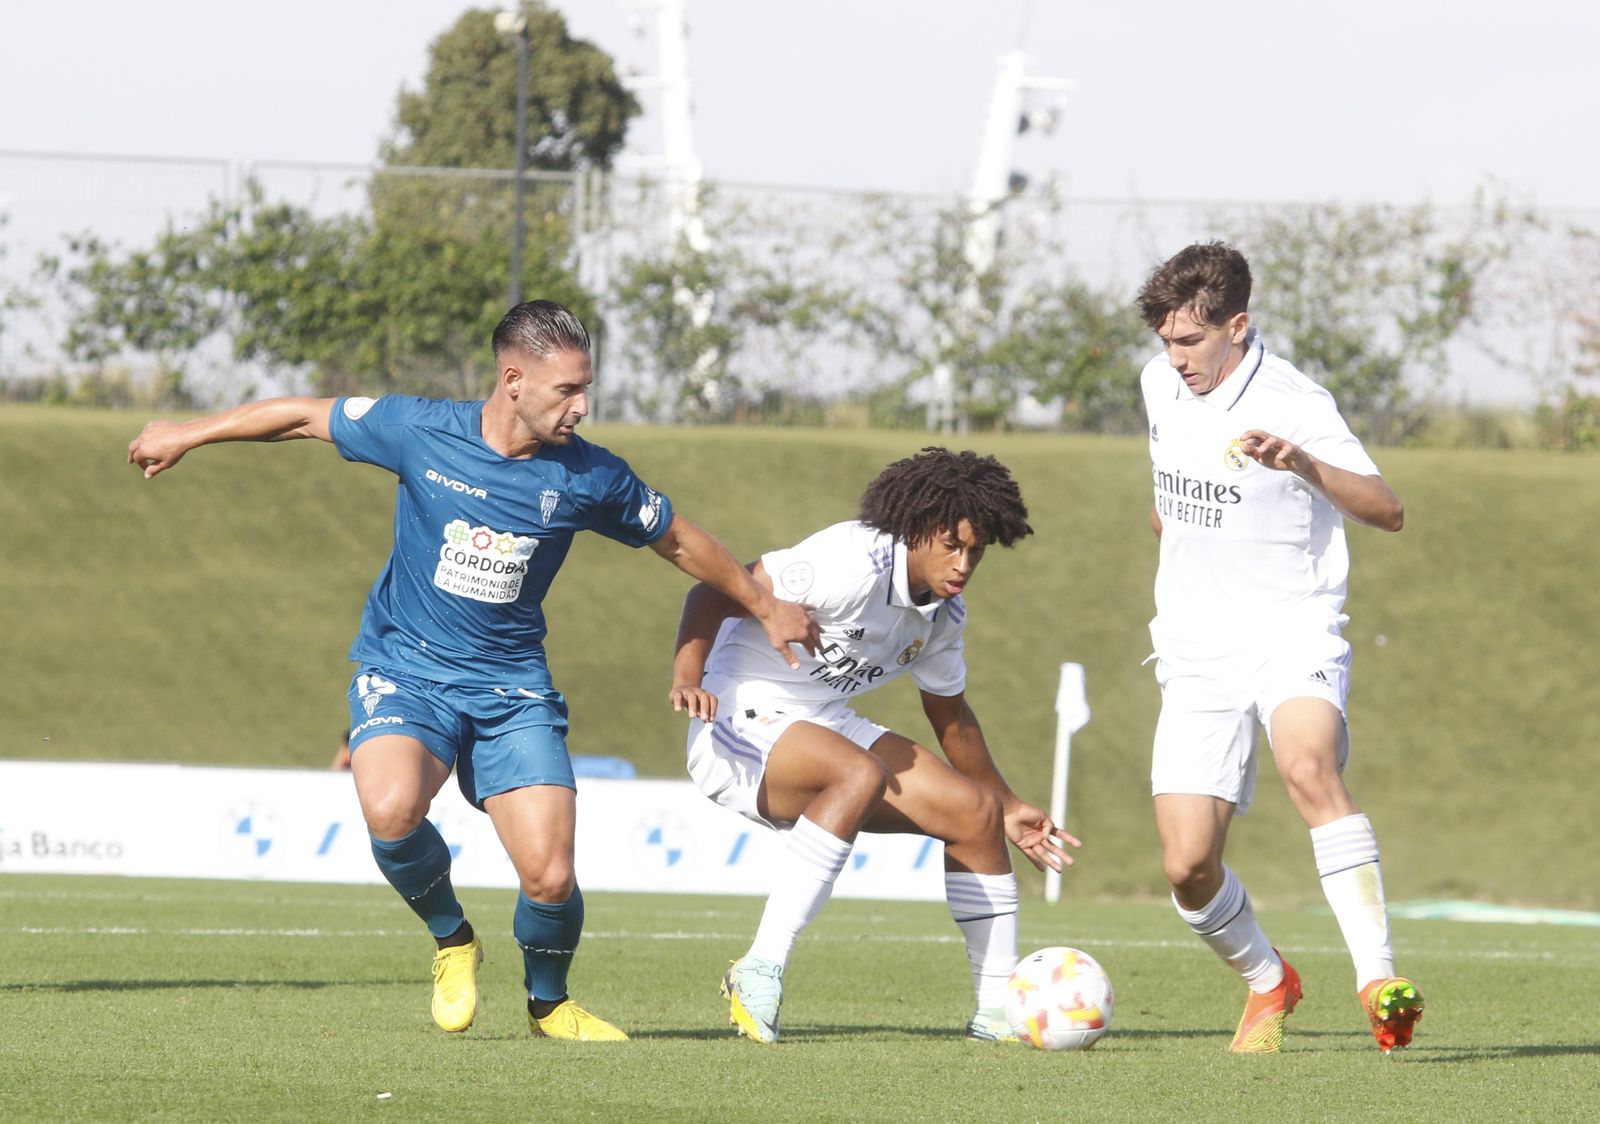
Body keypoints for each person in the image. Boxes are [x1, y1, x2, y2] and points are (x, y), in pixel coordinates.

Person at [128, 300, 820, 1042]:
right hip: (406, 669)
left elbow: (678, 540)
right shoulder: (420, 430)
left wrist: (761, 602)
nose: (582, 407)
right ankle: (453, 939)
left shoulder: (591, 476)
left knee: (551, 877)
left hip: (512, 687)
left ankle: (549, 1003)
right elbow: (303, 415)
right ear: (513, 379)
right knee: (391, 809)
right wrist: (188, 433)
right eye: (567, 391)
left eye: (587, 389)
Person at [669, 447, 1078, 1044]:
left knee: (975, 814)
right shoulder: (847, 562)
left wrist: (1009, 803)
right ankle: (759, 967)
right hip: (735, 712)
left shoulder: (944, 614)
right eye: (951, 544)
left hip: (822, 721)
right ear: (915, 531)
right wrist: (687, 677)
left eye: (976, 550)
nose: (963, 563)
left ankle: (996, 1013)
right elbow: (711, 591)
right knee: (857, 773)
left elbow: (952, 716)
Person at [1134, 241, 1422, 1054]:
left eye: (1190, 341)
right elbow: (1168, 492)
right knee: (1188, 868)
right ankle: (1269, 980)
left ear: (1238, 326)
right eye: (1165, 341)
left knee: (1308, 766)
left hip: (1291, 630)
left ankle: (1378, 981)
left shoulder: (1297, 402)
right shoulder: (1159, 384)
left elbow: (1388, 508)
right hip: (1194, 650)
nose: (1175, 357)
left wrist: (1303, 464)